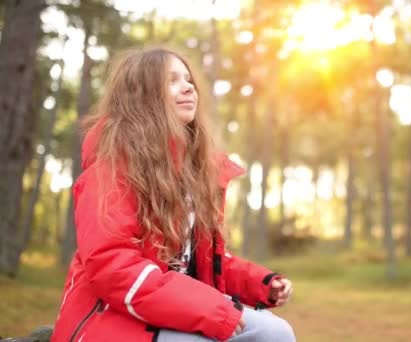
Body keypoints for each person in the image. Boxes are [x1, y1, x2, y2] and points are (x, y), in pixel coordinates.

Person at [51, 47, 295, 342]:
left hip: (177, 310)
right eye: (172, 80)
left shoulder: (191, 175)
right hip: (113, 320)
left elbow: (204, 261)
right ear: (141, 96)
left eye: (188, 79)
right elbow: (113, 267)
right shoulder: (110, 170)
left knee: (276, 333)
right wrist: (212, 309)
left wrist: (261, 283)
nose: (189, 86)